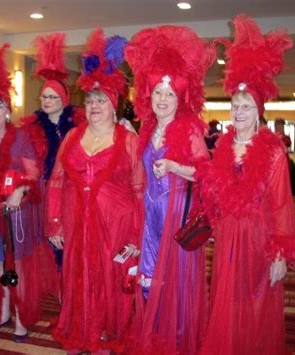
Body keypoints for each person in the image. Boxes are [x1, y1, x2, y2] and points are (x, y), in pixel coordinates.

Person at [198, 15, 295, 354]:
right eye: (235, 105)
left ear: (258, 111)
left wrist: (279, 255)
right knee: (226, 300)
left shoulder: (272, 151)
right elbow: (214, 193)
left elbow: (282, 206)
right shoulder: (223, 146)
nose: (239, 111)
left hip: (259, 237)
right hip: (229, 233)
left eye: (246, 106)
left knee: (255, 301)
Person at [46, 29, 144, 353]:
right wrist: (54, 222)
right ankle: (80, 328)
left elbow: (138, 189)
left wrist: (135, 236)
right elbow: (57, 180)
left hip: (115, 226)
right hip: (76, 223)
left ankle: (105, 333)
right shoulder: (72, 137)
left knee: (108, 278)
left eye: (102, 100)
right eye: (90, 100)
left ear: (114, 104)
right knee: (78, 274)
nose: (95, 105)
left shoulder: (127, 140)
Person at [124, 25, 215, 354]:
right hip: (151, 214)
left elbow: (205, 172)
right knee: (149, 276)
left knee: (174, 280)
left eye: (169, 94)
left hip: (177, 215)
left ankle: (176, 341)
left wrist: (176, 167)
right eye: (158, 93)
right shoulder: (147, 128)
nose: (162, 100)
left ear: (181, 97)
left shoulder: (189, 129)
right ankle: (156, 334)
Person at [0, 43, 58, 342]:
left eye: (0, 106)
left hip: (15, 213)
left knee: (16, 263)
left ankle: (21, 317)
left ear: (8, 110)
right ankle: (4, 310)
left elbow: (35, 174)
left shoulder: (21, 137)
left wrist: (20, 190)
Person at [19, 33, 85, 272]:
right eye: (44, 96)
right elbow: (27, 165)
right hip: (45, 192)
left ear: (64, 100)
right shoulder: (31, 129)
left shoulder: (80, 126)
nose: (46, 100)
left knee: (72, 247)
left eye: (52, 97)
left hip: (74, 192)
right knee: (47, 248)